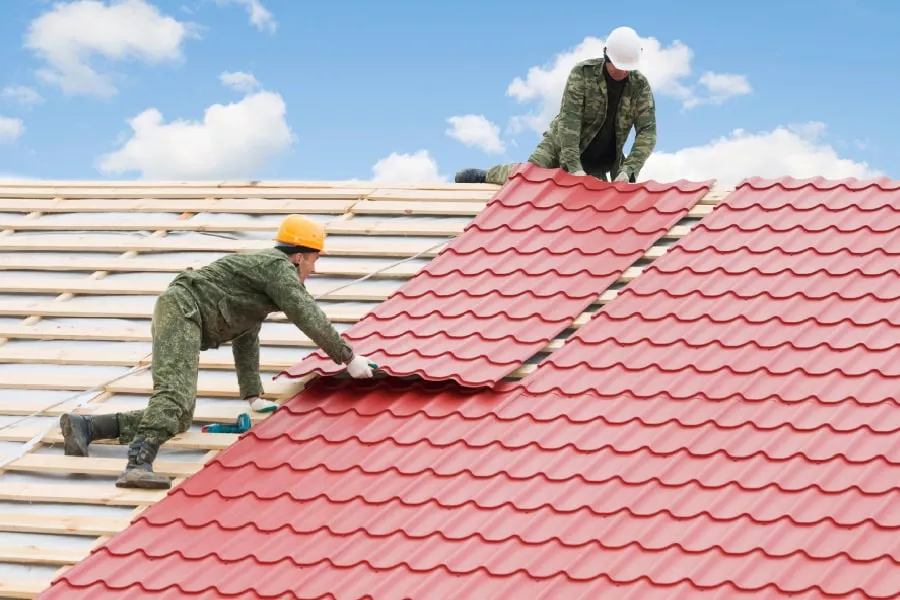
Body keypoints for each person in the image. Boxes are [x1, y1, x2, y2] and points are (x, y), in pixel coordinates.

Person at [58, 214, 374, 489]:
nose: (314, 270)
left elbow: (246, 333)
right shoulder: (276, 269)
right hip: (183, 308)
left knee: (180, 418)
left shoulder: (263, 282)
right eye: (315, 259)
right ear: (299, 256)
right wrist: (348, 357)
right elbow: (307, 314)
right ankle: (137, 466)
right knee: (174, 395)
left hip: (185, 314)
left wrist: (253, 394)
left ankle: (86, 427)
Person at [455, 26, 656, 186]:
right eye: (618, 67)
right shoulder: (582, 74)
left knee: (591, 204)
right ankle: (486, 175)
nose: (623, 73)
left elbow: (647, 132)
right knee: (529, 179)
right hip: (560, 144)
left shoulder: (639, 86)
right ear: (606, 56)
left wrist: (628, 169)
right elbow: (570, 121)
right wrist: (574, 167)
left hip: (600, 160)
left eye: (627, 68)